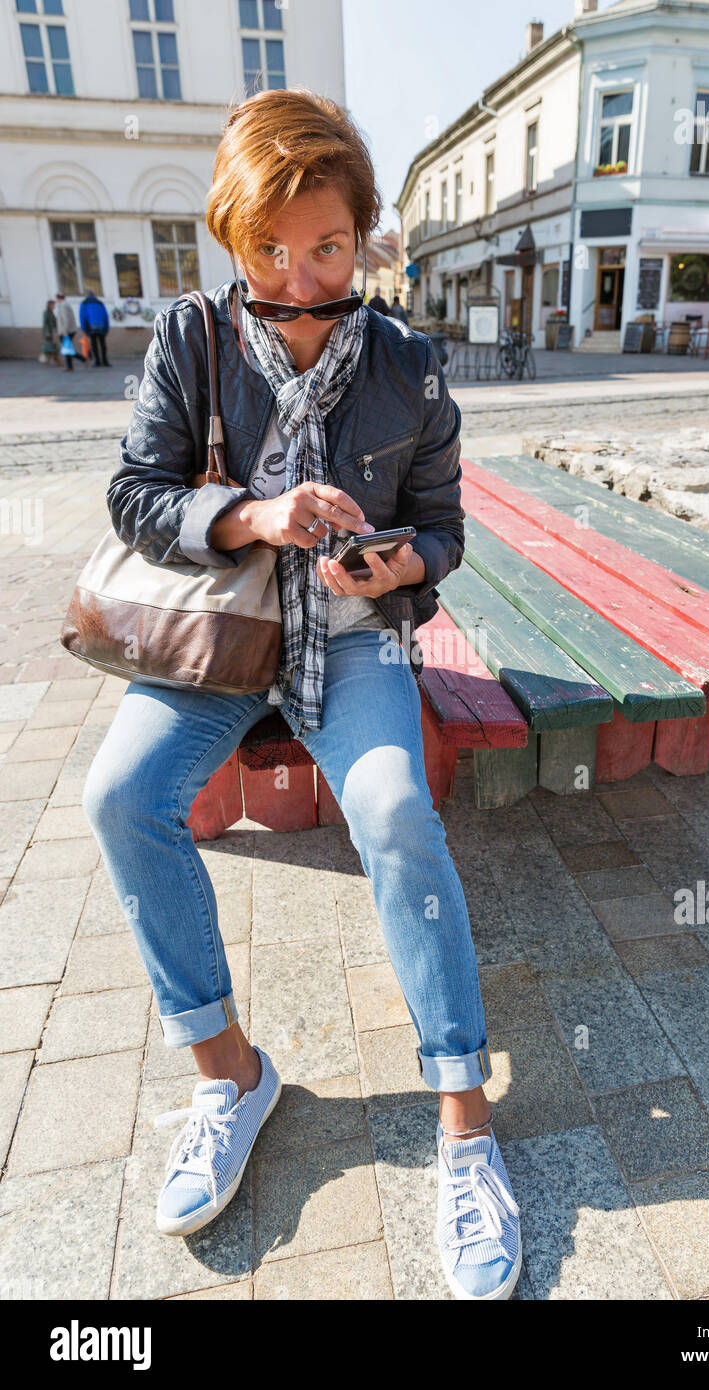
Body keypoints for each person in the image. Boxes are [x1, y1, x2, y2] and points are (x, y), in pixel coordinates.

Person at [80, 87, 521, 1301]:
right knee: (118, 795)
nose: (301, 271)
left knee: (390, 811)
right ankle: (229, 1074)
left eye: (327, 244)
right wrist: (248, 515)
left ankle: (465, 1123)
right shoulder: (194, 338)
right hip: (222, 640)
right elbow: (133, 492)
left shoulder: (408, 363)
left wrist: (402, 562)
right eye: (269, 247)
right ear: (231, 236)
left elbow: (444, 526)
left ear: (364, 235)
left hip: (355, 642)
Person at [79, 289, 111, 366]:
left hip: (91, 327)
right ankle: (105, 361)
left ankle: (97, 361)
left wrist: (83, 328)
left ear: (86, 295)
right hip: (102, 327)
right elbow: (105, 316)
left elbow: (82, 317)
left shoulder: (84, 303)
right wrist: (107, 328)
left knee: (94, 344)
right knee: (103, 344)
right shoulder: (100, 303)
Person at [54, 292, 86, 369]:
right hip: (69, 330)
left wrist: (64, 331)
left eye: (56, 298)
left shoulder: (63, 306)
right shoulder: (64, 305)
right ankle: (74, 364)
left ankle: (80, 361)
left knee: (67, 349)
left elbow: (66, 320)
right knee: (67, 349)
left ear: (58, 298)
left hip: (66, 331)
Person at [40, 299, 59, 365]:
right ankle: (55, 360)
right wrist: (47, 332)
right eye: (53, 305)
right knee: (52, 347)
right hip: (48, 333)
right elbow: (45, 323)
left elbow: (54, 322)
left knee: (51, 347)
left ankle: (48, 361)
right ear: (49, 305)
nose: (54, 306)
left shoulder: (51, 312)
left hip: (51, 332)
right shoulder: (47, 312)